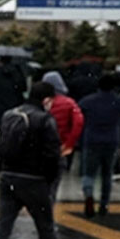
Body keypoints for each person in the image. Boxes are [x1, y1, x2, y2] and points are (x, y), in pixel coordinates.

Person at [0, 81, 79, 239]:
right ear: (46, 100)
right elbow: (52, 154)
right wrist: (49, 178)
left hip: (8, 177)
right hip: (34, 180)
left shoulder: (10, 114)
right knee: (45, 225)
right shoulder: (45, 120)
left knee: (4, 225)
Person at [77, 74, 120, 218]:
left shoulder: (87, 101)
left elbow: (79, 118)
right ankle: (104, 204)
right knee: (107, 174)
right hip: (111, 140)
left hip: (91, 139)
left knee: (89, 173)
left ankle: (88, 195)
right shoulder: (119, 102)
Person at [40, 71, 84, 199]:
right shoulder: (69, 103)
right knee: (54, 185)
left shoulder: (41, 103)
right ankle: (49, 212)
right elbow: (78, 123)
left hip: (41, 149)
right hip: (59, 147)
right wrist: (69, 143)